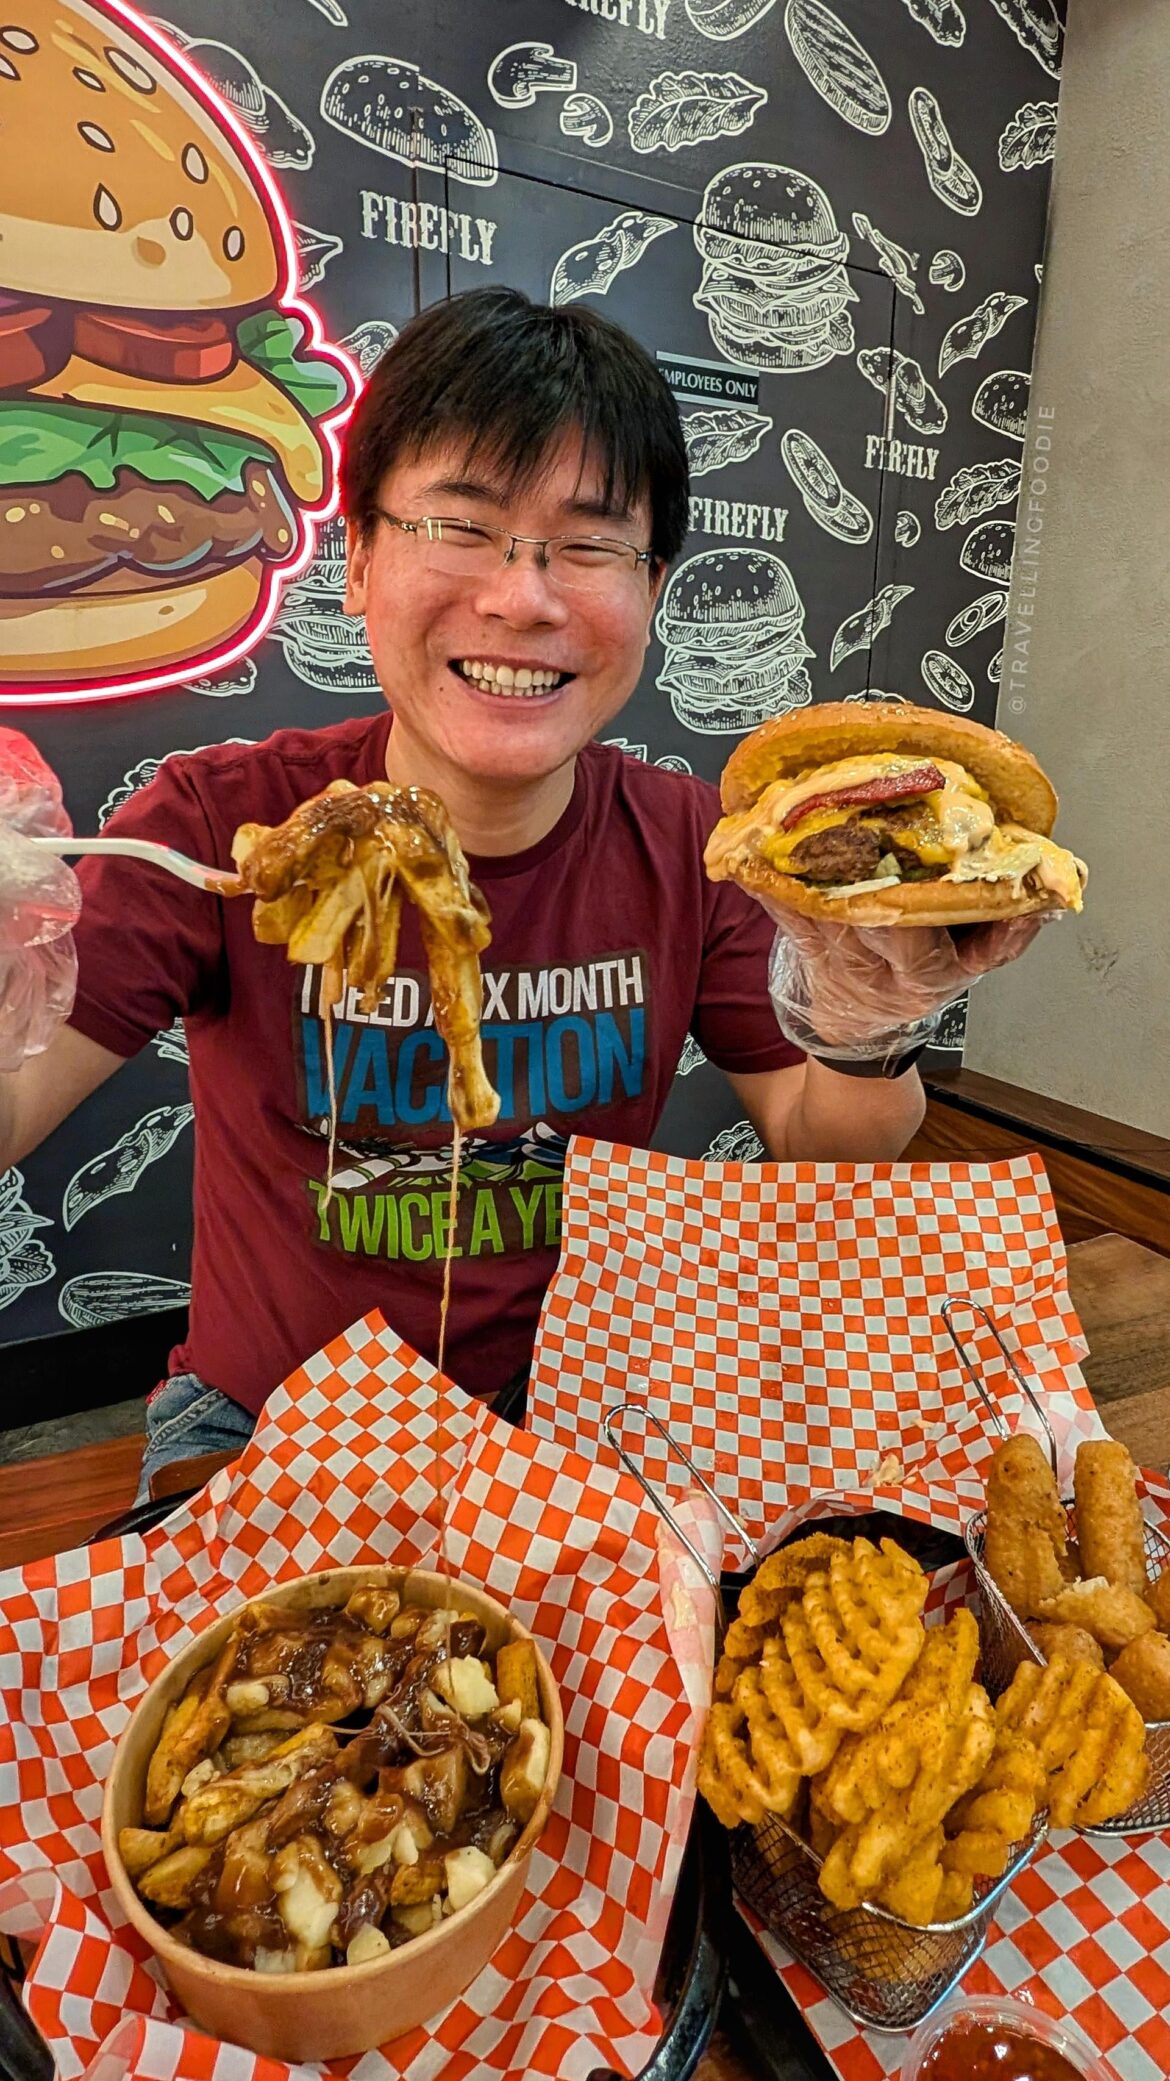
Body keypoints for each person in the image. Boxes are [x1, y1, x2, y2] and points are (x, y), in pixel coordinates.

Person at [0, 288, 1043, 1497]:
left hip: (575, 1403)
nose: (523, 597)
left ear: (651, 592)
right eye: (460, 525)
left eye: (591, 543)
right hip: (259, 1423)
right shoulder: (217, 827)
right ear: (360, 561)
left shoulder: (693, 845)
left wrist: (868, 1011)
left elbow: (825, 1142)